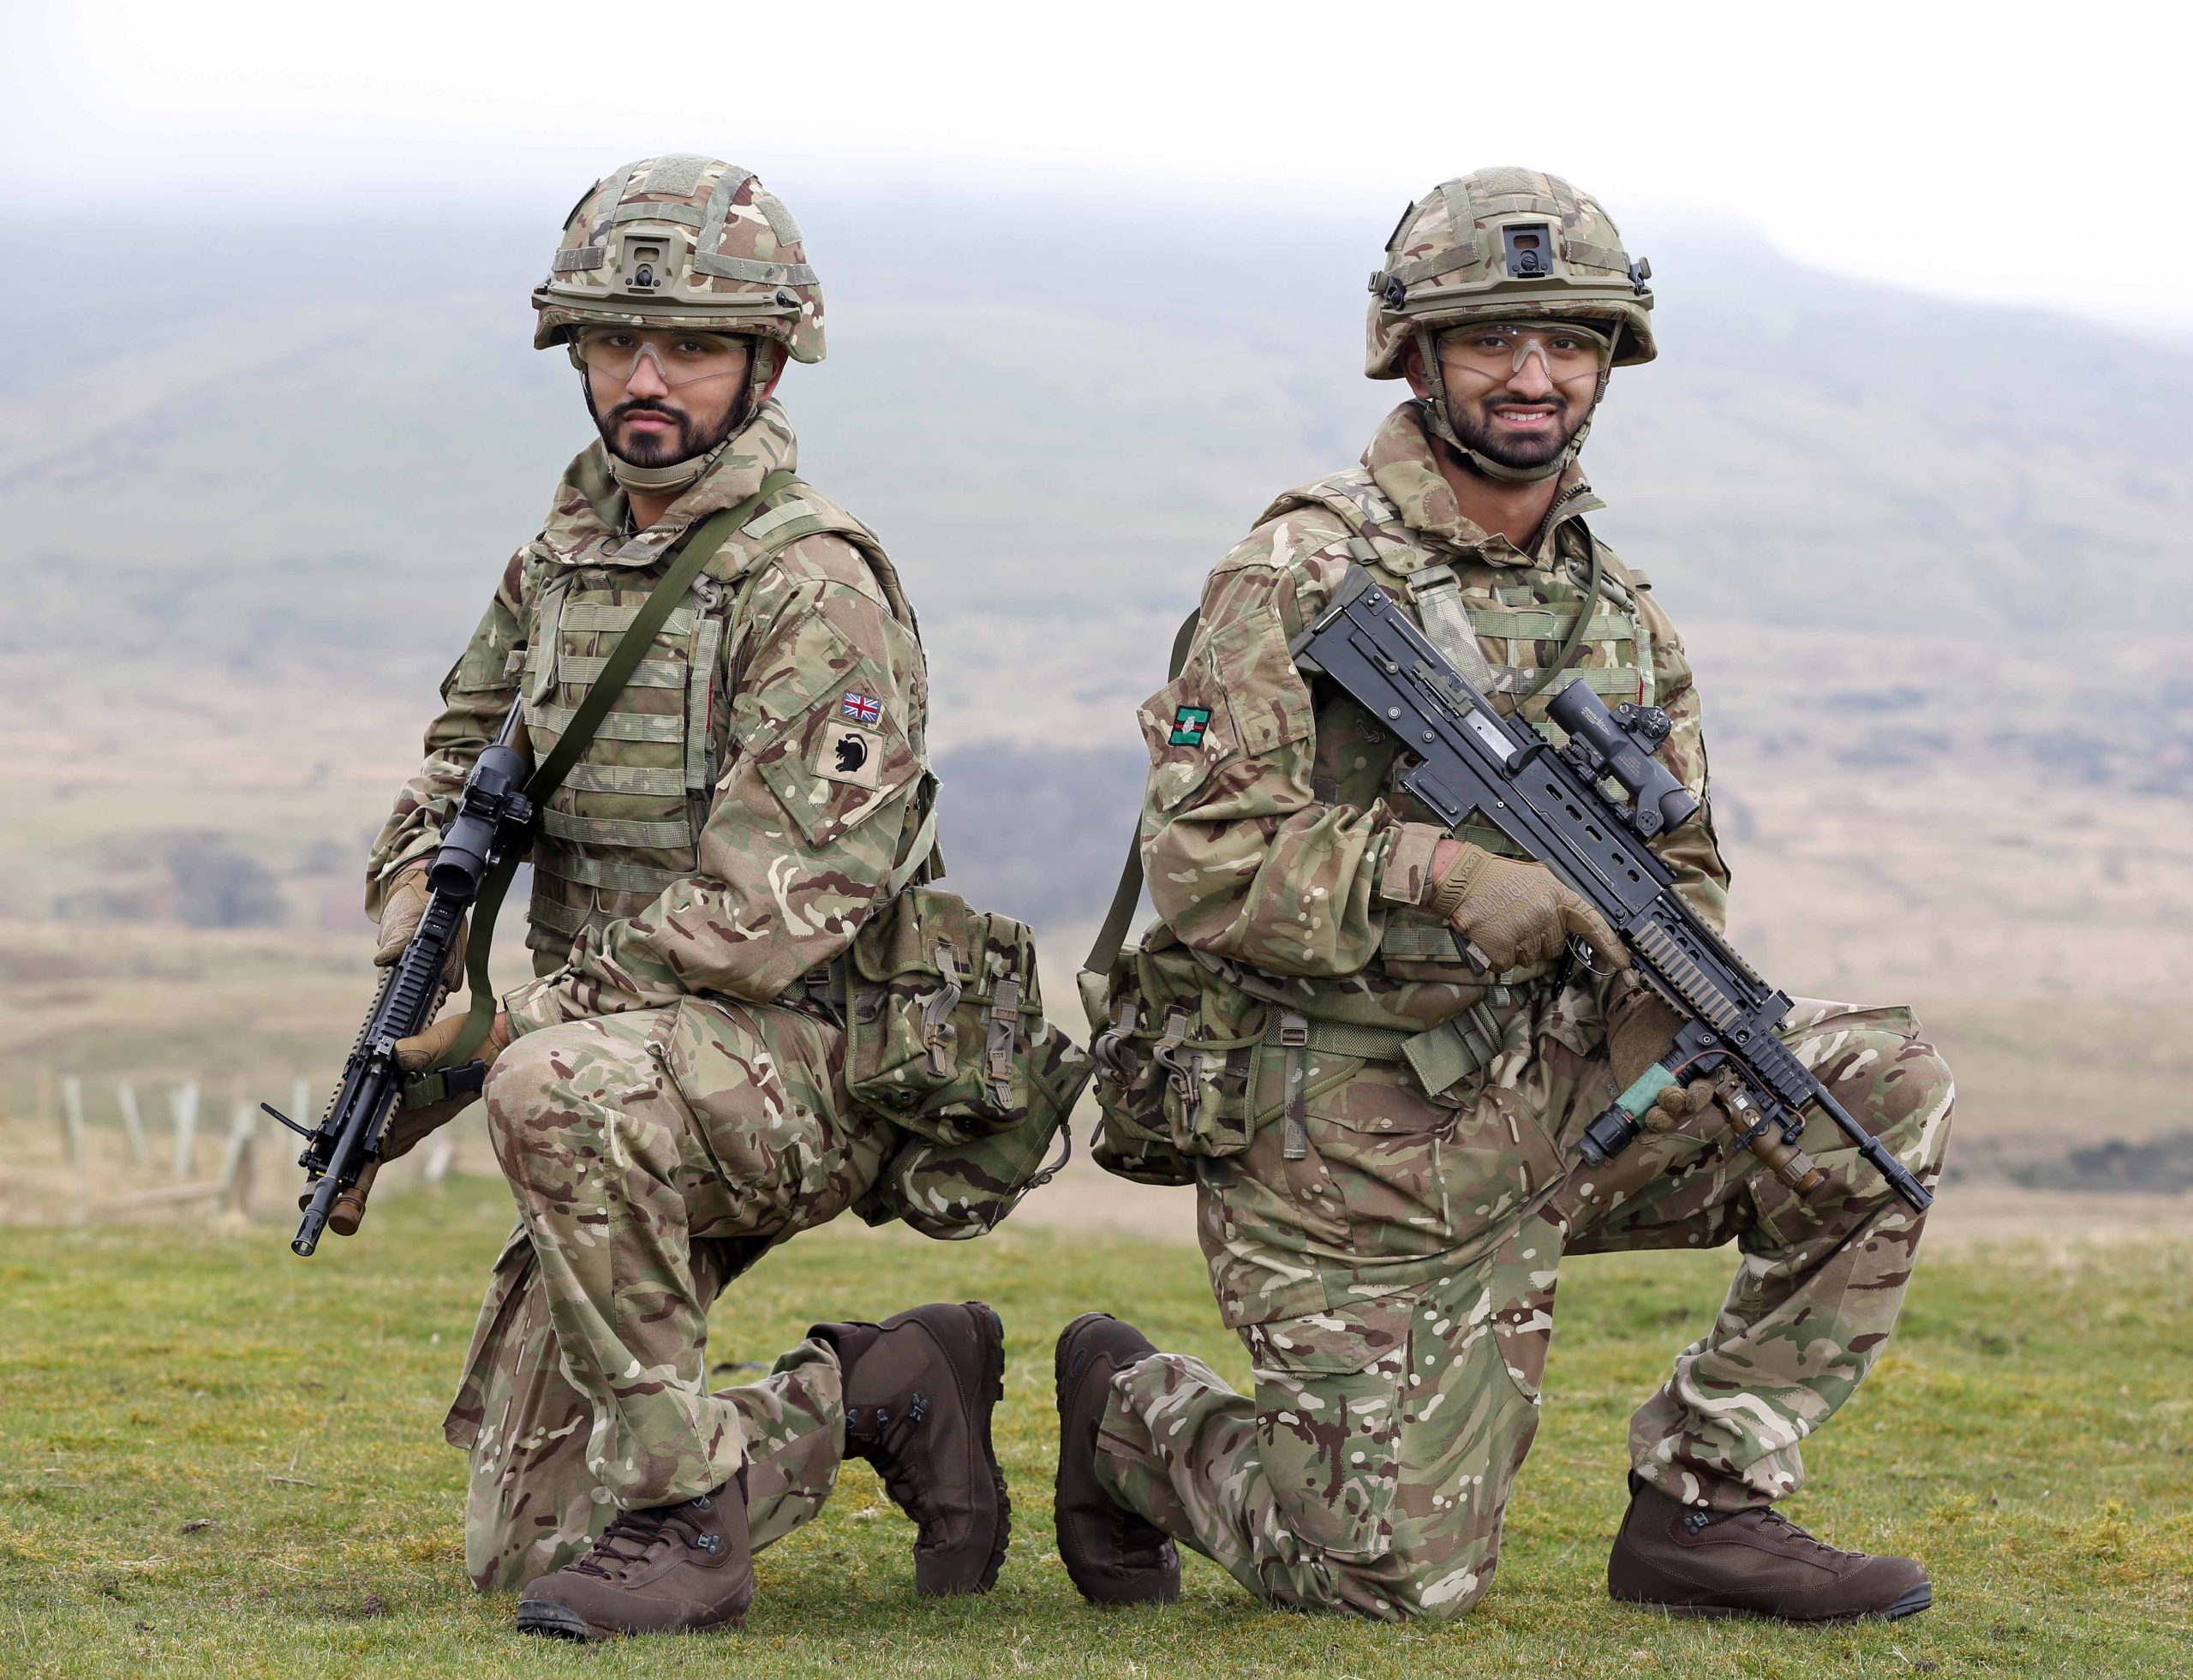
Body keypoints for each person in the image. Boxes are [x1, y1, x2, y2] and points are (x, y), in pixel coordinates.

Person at [1055, 167, 1954, 1625]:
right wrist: (1449, 873)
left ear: (1611, 359)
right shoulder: (1296, 577)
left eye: (1570, 341)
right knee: (1394, 1580)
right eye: (1490, 338)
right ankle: (1128, 1415)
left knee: (1869, 1094)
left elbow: (1683, 870)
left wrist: (1673, 987)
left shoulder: (1619, 612)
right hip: (1345, 1130)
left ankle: (1705, 1501)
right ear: (1416, 352)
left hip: (1557, 1089)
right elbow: (1205, 864)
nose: (1533, 375)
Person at [364, 155, 1010, 1640]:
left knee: (544, 1086)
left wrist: (504, 1028)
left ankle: (690, 1526)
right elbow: (455, 759)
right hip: (621, 1061)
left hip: (805, 1060)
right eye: (614, 341)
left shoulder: (812, 583)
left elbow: (774, 906)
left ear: (766, 360)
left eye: (693, 347)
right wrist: (417, 921)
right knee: (529, 1543)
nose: (646, 377)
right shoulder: (565, 558)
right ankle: (884, 1391)